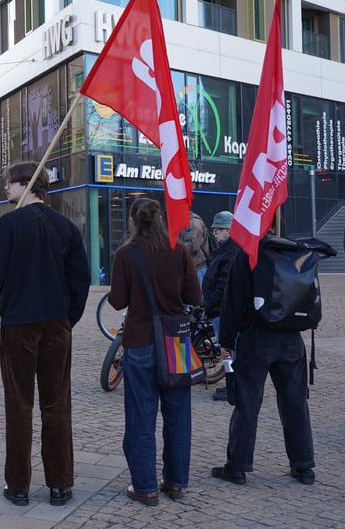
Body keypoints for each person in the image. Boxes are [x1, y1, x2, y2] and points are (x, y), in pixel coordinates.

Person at [0, 162, 89, 507]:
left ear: (26, 184)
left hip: (19, 325)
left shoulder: (7, 225)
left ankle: (19, 485)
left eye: (10, 184)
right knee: (57, 405)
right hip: (56, 323)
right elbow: (80, 280)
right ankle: (59, 484)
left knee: (19, 405)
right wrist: (68, 319)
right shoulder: (66, 226)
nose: (6, 190)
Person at [108, 198, 201, 506]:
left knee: (141, 417)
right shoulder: (179, 251)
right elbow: (195, 295)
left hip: (140, 341)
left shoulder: (125, 254)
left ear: (133, 222)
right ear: (160, 220)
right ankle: (175, 483)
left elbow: (118, 301)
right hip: (176, 342)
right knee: (178, 415)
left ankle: (145, 487)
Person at [212, 230, 316, 487]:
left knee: (247, 403)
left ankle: (237, 466)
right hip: (291, 336)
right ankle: (304, 466)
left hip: (257, 337)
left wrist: (226, 340)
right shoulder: (293, 250)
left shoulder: (248, 252)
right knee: (295, 403)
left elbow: (233, 301)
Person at [201, 211, 240, 402]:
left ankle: (233, 386)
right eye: (215, 230)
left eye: (218, 230)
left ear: (229, 230)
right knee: (228, 351)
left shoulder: (231, 251)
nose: (215, 233)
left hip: (222, 310)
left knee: (228, 351)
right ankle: (232, 384)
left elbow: (224, 284)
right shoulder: (225, 248)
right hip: (219, 309)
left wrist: (212, 304)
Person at [179, 211, 211, 284]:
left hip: (197, 267)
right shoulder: (180, 221)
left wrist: (173, 250)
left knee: (198, 294)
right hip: (187, 267)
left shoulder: (194, 222)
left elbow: (192, 244)